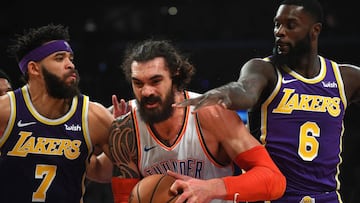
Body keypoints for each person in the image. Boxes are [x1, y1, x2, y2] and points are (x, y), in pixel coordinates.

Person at [173, 0, 360, 202]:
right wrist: (224, 93)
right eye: (277, 24)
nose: (279, 31)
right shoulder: (264, 70)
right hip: (270, 196)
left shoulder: (344, 78)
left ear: (315, 30)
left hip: (327, 197)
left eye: (290, 25)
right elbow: (244, 90)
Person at [86, 39, 286, 203]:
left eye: (156, 81)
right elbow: (122, 196)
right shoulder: (125, 127)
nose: (146, 92)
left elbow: (274, 179)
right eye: (138, 83)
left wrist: (210, 188)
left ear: (176, 75)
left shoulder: (212, 114)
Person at [0, 23, 114, 203]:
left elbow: (109, 172)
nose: (70, 65)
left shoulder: (93, 116)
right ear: (34, 68)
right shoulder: (5, 111)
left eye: (71, 58)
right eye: (59, 58)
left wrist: (125, 131)